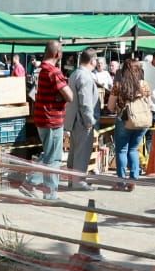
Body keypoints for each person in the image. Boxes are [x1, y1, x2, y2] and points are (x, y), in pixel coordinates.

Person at [25, 40, 72, 199]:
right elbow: (69, 96)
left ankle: (47, 191)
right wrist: (61, 96)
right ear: (57, 54)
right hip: (52, 119)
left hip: (41, 117)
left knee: (48, 155)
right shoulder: (53, 72)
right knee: (53, 157)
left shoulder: (39, 70)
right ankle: (35, 186)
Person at [108, 56, 153, 186]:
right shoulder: (144, 85)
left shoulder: (119, 85)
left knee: (121, 150)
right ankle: (134, 179)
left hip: (125, 119)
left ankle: (121, 181)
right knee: (133, 149)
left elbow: (110, 106)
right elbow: (148, 104)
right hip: (142, 121)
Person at [65, 49, 100, 190]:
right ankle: (78, 182)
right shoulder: (85, 76)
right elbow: (85, 102)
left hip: (74, 119)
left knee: (74, 153)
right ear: (92, 61)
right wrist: (89, 121)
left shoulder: (75, 74)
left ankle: (72, 180)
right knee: (81, 152)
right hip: (82, 120)